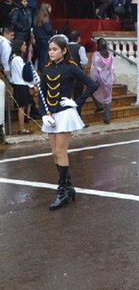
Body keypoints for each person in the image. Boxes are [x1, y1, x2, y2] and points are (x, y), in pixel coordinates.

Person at [40, 34, 97, 210]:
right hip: (51, 116)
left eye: (55, 49)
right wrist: (44, 113)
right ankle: (68, 187)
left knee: (60, 151)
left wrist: (77, 102)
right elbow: (42, 94)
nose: (51, 52)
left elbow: (92, 84)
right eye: (50, 49)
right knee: (54, 154)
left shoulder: (71, 68)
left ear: (64, 51)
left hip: (64, 114)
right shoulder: (47, 69)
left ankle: (62, 191)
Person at [9, 39, 34, 134]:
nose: (25, 47)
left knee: (24, 106)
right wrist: (31, 85)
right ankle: (21, 127)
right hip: (21, 84)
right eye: (23, 45)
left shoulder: (15, 58)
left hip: (20, 84)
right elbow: (22, 74)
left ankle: (23, 125)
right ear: (19, 46)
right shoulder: (17, 59)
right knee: (22, 107)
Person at [90, 38, 115, 124]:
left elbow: (95, 68)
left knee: (91, 91)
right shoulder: (110, 55)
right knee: (108, 98)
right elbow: (112, 68)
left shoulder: (96, 54)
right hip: (109, 79)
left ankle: (98, 105)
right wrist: (111, 78)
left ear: (98, 45)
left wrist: (93, 80)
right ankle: (107, 117)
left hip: (99, 78)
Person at [33, 3, 55, 70]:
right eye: (49, 8)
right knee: (44, 57)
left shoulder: (37, 18)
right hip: (45, 40)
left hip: (38, 40)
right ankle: (44, 72)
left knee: (40, 57)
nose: (51, 9)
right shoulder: (46, 18)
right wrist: (54, 32)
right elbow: (48, 30)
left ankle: (40, 70)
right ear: (46, 9)